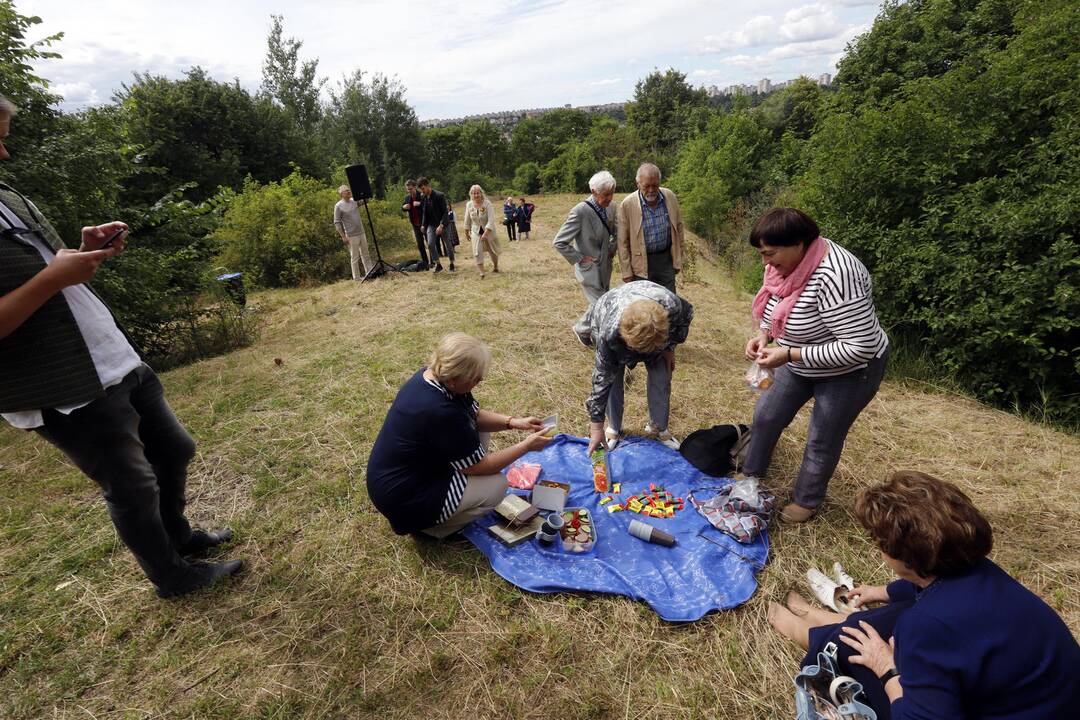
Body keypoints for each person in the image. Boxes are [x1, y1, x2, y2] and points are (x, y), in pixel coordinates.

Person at [0, 95, 241, 598]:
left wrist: (80, 250)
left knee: (174, 448)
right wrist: (53, 277)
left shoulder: (9, 198)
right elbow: (35, 289)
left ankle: (180, 539)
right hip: (62, 384)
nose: (4, 155)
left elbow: (41, 266)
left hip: (110, 355)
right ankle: (172, 577)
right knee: (132, 487)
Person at [768, 470, 1080, 719]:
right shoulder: (978, 569)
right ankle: (828, 620)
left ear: (903, 558)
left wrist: (887, 669)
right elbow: (924, 588)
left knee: (855, 642)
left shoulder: (925, 625)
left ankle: (813, 633)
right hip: (1048, 702)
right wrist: (879, 591)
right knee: (889, 615)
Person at [742, 208, 889, 523]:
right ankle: (751, 474)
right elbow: (774, 302)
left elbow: (858, 347)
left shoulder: (837, 275)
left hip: (850, 371)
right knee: (767, 415)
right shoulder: (783, 265)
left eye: (770, 254)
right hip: (798, 358)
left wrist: (791, 353)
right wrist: (764, 336)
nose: (765, 263)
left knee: (823, 435)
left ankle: (807, 501)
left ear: (798, 244)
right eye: (761, 254)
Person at [366, 333, 552, 538]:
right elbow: (478, 466)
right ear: (454, 379)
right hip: (406, 498)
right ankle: (433, 528)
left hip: (401, 478)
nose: (480, 381)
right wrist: (525, 446)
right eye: (475, 378)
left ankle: (448, 505)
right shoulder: (441, 411)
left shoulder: (434, 378)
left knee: (476, 430)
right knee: (497, 486)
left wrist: (512, 422)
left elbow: (474, 415)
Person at [583, 280, 693, 453]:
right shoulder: (609, 334)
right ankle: (613, 428)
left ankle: (659, 428)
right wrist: (596, 428)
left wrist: (670, 348)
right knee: (612, 379)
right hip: (611, 312)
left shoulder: (672, 306)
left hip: (651, 312)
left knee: (662, 374)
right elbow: (601, 382)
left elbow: (686, 317)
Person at [553, 170, 619, 345]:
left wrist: (612, 248)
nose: (610, 198)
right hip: (589, 270)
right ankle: (595, 336)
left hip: (605, 267)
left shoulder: (611, 207)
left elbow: (616, 232)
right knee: (603, 303)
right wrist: (579, 258)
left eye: (612, 193)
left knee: (599, 302)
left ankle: (584, 330)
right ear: (594, 192)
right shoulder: (580, 211)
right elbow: (559, 242)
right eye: (606, 195)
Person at [616, 163, 685, 293]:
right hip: (640, 263)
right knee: (644, 305)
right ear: (638, 184)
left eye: (655, 185)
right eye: (647, 186)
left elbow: (679, 228)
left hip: (665, 260)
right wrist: (626, 271)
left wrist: (678, 257)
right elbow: (622, 242)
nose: (652, 190)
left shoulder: (670, 197)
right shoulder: (627, 204)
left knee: (668, 302)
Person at [333, 184, 372, 280]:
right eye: (347, 191)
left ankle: (370, 273)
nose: (349, 192)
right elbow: (337, 222)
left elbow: (366, 200)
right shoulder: (338, 206)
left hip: (361, 232)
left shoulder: (354, 201)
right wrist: (343, 236)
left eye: (349, 190)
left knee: (365, 254)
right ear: (342, 193)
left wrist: (363, 190)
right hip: (351, 235)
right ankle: (357, 278)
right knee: (355, 257)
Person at [417, 177, 453, 273]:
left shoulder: (439, 195)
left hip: (443, 223)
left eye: (423, 188)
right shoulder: (423, 197)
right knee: (430, 244)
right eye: (421, 189)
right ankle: (438, 265)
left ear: (428, 186)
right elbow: (425, 212)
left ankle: (452, 263)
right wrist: (423, 225)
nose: (422, 191)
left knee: (448, 244)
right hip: (431, 224)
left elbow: (446, 212)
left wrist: (441, 225)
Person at [463, 185, 500, 277]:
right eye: (473, 193)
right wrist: (466, 232)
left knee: (492, 250)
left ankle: (495, 266)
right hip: (476, 230)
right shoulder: (469, 204)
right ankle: (482, 272)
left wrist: (486, 233)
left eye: (477, 193)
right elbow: (467, 219)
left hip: (488, 230)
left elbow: (491, 220)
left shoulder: (487, 203)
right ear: (471, 194)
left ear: (481, 193)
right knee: (477, 251)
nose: (476, 195)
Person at [401, 180, 429, 268]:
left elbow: (428, 206)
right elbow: (403, 207)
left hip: (424, 223)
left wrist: (420, 204)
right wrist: (404, 207)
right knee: (420, 244)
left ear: (415, 187)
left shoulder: (421, 195)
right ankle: (425, 263)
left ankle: (434, 262)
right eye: (408, 189)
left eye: (411, 189)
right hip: (415, 225)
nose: (409, 191)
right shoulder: (407, 198)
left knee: (430, 243)